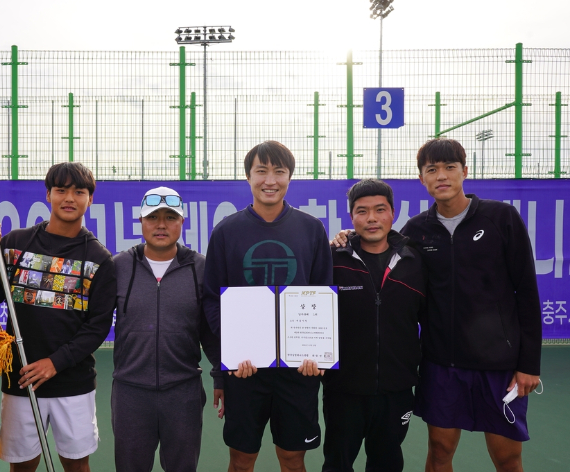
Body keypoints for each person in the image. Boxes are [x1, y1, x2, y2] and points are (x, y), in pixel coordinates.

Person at [333, 139, 542, 472]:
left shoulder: (502, 218)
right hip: (441, 365)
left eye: (449, 167)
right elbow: (379, 246)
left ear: (464, 171)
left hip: (499, 365)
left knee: (507, 457)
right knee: (440, 450)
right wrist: (347, 238)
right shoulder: (416, 231)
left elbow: (527, 294)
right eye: (432, 169)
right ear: (421, 178)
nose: (441, 176)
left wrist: (528, 363)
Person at [203, 141, 334, 472]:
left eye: (279, 171)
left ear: (290, 177)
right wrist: (229, 357)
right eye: (261, 171)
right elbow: (211, 300)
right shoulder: (226, 232)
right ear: (248, 177)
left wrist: (317, 354)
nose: (270, 180)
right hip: (245, 371)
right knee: (242, 459)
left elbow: (323, 296)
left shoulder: (311, 229)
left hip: (297, 370)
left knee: (292, 458)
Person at [0, 162, 116, 472]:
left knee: (75, 464)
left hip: (74, 382)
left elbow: (98, 326)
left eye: (79, 191)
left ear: (90, 199)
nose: (69, 198)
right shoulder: (16, 243)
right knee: (23, 465)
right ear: (48, 195)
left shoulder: (99, 258)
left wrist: (55, 363)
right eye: (61, 190)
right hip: (21, 377)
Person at [111, 186, 220, 472]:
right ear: (141, 222)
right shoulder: (118, 266)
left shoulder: (201, 267)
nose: (161, 225)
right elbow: (93, 324)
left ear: (182, 222)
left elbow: (211, 331)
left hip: (183, 393)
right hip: (130, 394)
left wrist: (221, 377)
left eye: (170, 217)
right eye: (153, 217)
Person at [322, 179, 425, 472]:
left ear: (393, 212)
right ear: (351, 217)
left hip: (398, 389)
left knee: (387, 462)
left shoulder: (415, 261)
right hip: (344, 390)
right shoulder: (332, 259)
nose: (371, 219)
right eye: (362, 211)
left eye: (380, 210)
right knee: (337, 463)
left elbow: (431, 321)